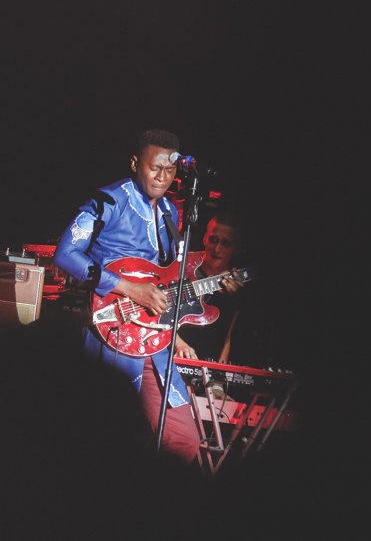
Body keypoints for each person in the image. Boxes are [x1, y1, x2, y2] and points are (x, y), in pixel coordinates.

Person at [53, 129, 216, 464]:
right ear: (134, 163)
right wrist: (128, 288)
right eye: (154, 167)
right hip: (111, 330)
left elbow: (166, 278)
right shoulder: (109, 201)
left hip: (154, 339)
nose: (162, 177)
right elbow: (65, 254)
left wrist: (207, 287)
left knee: (184, 439)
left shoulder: (170, 211)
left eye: (169, 170)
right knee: (110, 437)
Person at [175, 209, 248, 365]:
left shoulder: (235, 284)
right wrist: (178, 343)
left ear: (236, 248)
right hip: (173, 352)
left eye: (226, 243)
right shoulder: (184, 265)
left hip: (206, 363)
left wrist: (220, 373)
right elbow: (158, 317)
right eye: (213, 240)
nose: (217, 249)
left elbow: (228, 337)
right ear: (204, 238)